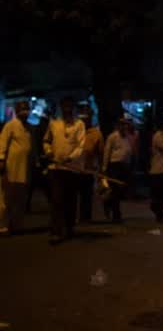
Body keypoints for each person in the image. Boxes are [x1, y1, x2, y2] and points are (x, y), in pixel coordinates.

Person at [43, 97, 85, 244]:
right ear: (61, 108)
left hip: (72, 169)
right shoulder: (54, 123)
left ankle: (69, 228)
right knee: (56, 199)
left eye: (70, 107)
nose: (67, 110)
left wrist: (70, 158)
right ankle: (56, 231)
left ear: (73, 109)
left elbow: (81, 146)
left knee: (70, 200)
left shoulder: (79, 124)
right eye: (64, 107)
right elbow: (46, 141)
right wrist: (48, 151)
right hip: (55, 168)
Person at [0, 101, 32, 235]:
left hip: (24, 170)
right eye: (22, 110)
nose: (24, 113)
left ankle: (16, 225)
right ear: (17, 111)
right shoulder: (10, 125)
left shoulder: (29, 127)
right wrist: (1, 159)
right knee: (6, 198)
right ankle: (3, 225)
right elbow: (2, 143)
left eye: (26, 110)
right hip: (10, 168)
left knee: (20, 199)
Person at [102, 118, 135, 223]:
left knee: (122, 190)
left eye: (125, 125)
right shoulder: (113, 137)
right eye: (122, 124)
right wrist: (104, 167)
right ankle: (117, 215)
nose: (124, 127)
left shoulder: (127, 137)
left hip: (124, 166)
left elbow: (129, 151)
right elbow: (107, 151)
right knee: (116, 189)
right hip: (114, 166)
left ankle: (108, 202)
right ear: (118, 125)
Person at [78, 106, 103, 223]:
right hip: (73, 168)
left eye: (86, 118)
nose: (84, 120)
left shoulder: (96, 134)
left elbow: (100, 152)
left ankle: (85, 218)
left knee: (86, 195)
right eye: (82, 117)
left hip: (88, 169)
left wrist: (100, 170)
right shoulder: (75, 130)